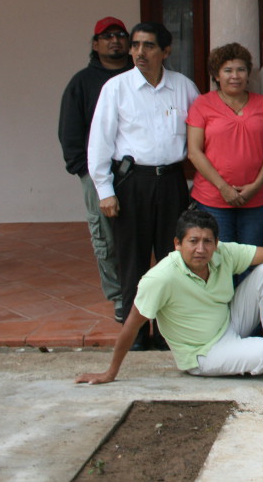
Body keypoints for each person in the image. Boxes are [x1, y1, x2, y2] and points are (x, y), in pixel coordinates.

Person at [76, 209, 263, 384]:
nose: (201, 249)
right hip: (202, 353)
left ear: (216, 243)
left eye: (207, 242)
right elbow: (131, 326)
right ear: (178, 244)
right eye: (193, 241)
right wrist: (110, 373)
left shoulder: (222, 253)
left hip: (229, 324)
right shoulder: (160, 278)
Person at [87, 22, 200, 350]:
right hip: (131, 182)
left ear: (165, 51)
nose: (139, 52)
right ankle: (136, 334)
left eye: (148, 46)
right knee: (132, 260)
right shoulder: (116, 88)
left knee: (172, 260)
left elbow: (200, 134)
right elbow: (99, 142)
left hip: (171, 183)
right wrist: (105, 190)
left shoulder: (183, 87)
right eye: (135, 45)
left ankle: (168, 333)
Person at [58, 16, 132, 322]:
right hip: (95, 173)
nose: (115, 40)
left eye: (120, 35)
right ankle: (118, 295)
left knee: (141, 233)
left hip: (136, 172)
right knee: (105, 236)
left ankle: (146, 292)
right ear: (95, 44)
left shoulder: (139, 77)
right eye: (107, 36)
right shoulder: (82, 82)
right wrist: (84, 172)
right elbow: (69, 131)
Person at [186, 43, 263, 249]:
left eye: (241, 69)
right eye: (227, 70)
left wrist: (255, 186)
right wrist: (223, 188)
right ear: (216, 75)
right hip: (213, 197)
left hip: (256, 196)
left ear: (247, 74)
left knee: (251, 259)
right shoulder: (202, 104)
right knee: (219, 258)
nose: (235, 76)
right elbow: (194, 151)